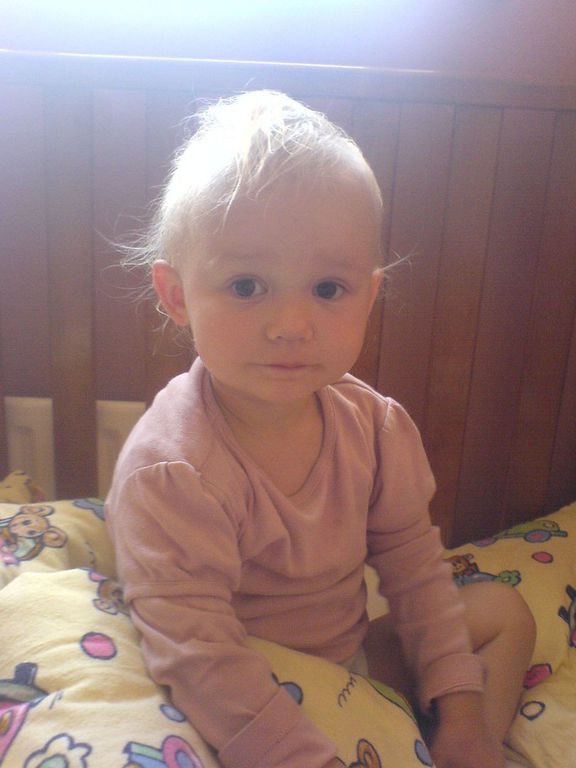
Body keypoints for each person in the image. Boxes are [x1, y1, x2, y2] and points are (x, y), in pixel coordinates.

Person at [106, 90, 535, 768]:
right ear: (176, 296)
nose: (291, 325)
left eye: (328, 289)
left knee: (504, 613)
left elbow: (416, 576)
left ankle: (466, 748)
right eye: (247, 286)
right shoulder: (172, 469)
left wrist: (460, 708)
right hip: (245, 686)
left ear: (368, 295)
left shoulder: (374, 427)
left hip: (351, 660)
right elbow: (198, 655)